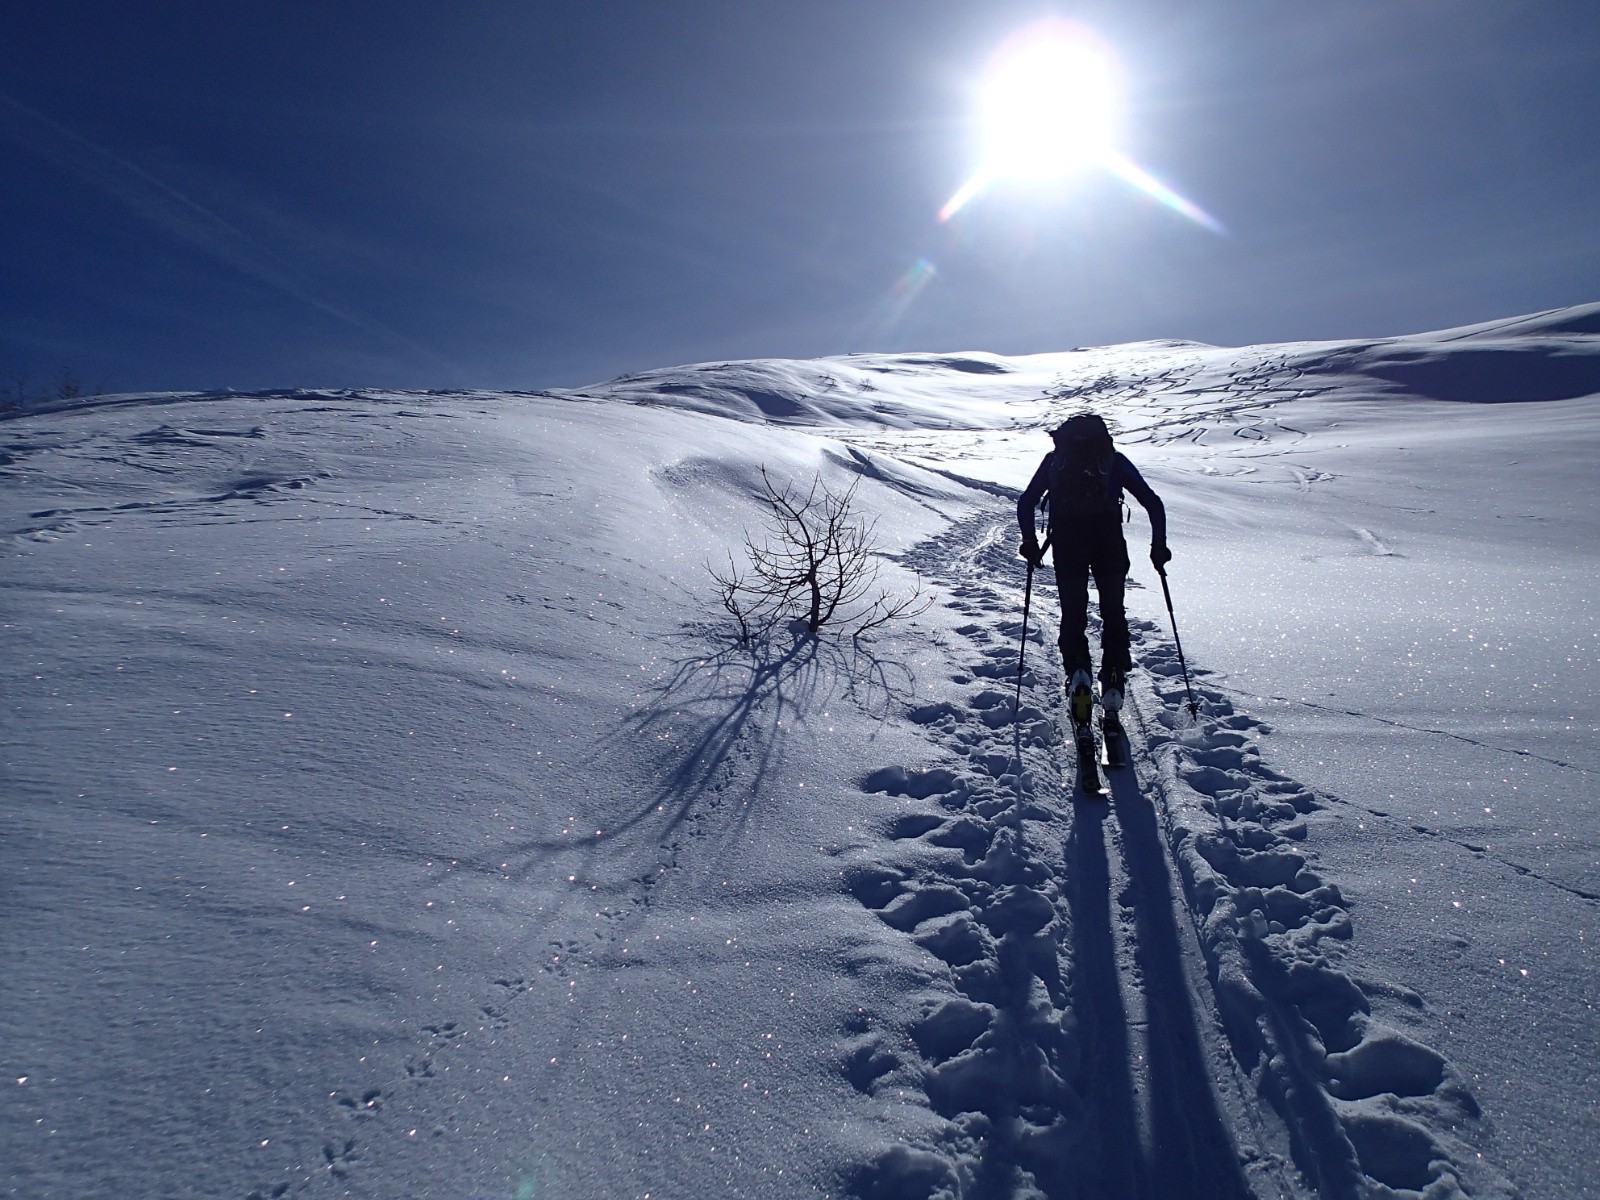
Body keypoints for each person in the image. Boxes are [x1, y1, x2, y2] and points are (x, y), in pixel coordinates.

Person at [1017, 413, 1169, 736]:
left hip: (1068, 544)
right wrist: (1159, 547)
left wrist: (1030, 542)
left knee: (1073, 614)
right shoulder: (1112, 461)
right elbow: (1153, 503)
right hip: (1109, 543)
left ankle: (1079, 678)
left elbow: (1026, 502)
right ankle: (1112, 681)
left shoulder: (1055, 461)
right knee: (1113, 612)